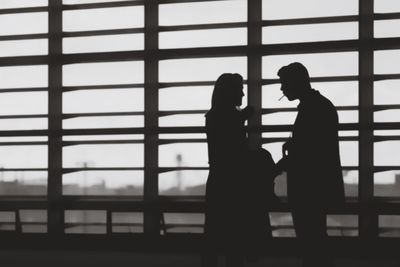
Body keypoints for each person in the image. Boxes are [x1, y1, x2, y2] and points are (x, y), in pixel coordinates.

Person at [202, 73, 275, 267]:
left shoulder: (213, 116)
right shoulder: (232, 117)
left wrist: (242, 116)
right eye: (240, 89)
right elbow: (235, 149)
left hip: (218, 180)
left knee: (214, 234)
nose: (243, 94)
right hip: (233, 183)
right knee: (234, 238)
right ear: (230, 92)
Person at [276, 62, 345, 267]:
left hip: (309, 188)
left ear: (294, 83)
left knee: (310, 238)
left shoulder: (312, 108)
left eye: (284, 83)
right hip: (318, 186)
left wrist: (287, 159)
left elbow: (309, 153)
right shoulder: (320, 106)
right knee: (315, 237)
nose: (281, 89)